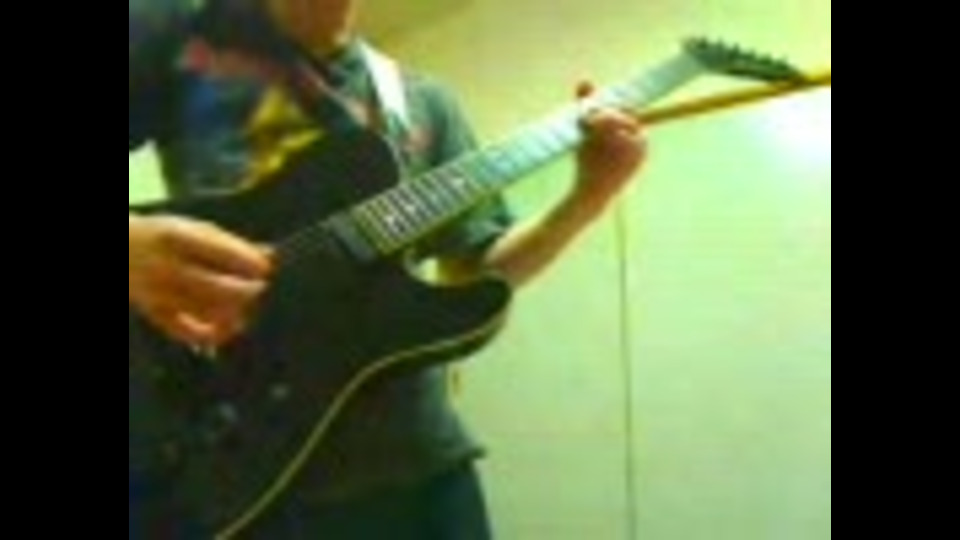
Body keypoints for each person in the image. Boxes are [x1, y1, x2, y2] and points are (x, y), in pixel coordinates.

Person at [129, 0, 648, 537]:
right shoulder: (176, 37)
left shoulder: (424, 101)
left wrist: (587, 196)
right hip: (234, 458)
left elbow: (472, 274)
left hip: (421, 469)